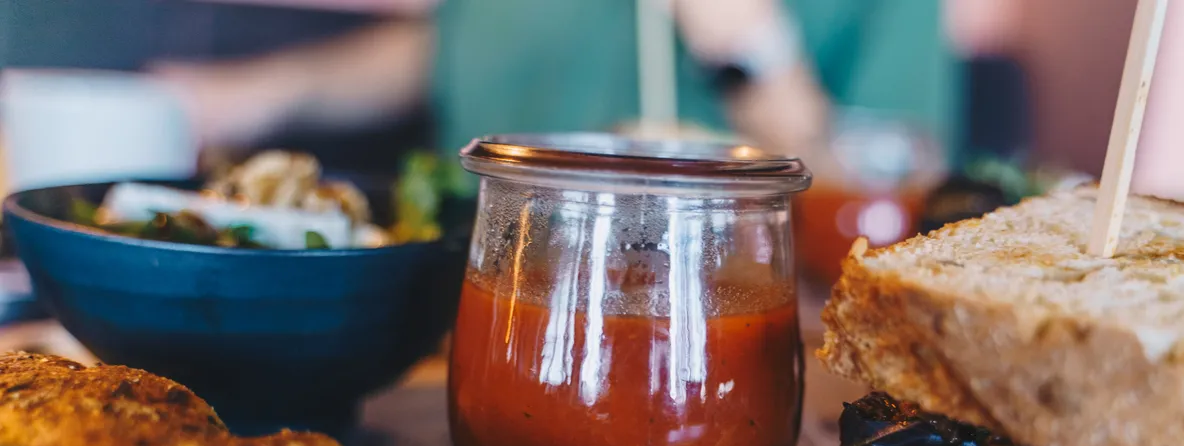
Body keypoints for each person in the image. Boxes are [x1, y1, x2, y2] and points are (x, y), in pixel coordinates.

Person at [153, 0, 959, 169]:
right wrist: (251, 94)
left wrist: (751, 47)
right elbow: (457, 44)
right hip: (464, 282)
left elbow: (897, 179)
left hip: (704, 310)